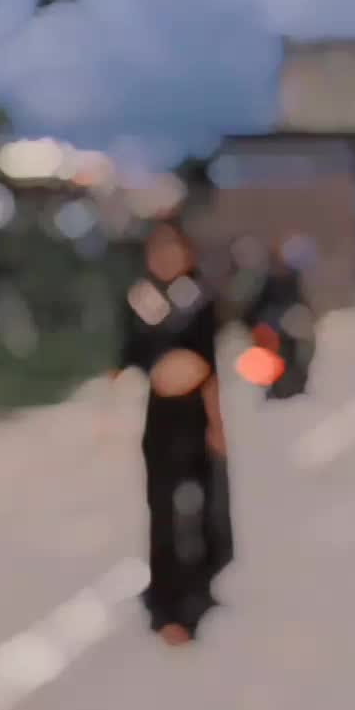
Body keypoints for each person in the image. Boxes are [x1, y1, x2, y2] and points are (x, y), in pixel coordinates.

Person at [111, 219, 233, 646]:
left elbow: (210, 367)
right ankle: (165, 602)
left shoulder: (199, 299)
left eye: (173, 249)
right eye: (157, 250)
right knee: (162, 510)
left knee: (201, 508)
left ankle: (198, 590)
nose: (165, 257)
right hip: (159, 419)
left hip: (194, 418)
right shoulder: (140, 300)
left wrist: (216, 424)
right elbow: (127, 356)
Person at [243, 240, 315, 400]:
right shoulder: (264, 279)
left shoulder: (292, 278)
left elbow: (300, 299)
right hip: (271, 327)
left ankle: (297, 384)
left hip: (290, 326)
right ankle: (272, 386)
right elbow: (256, 304)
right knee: (270, 356)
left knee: (297, 353)